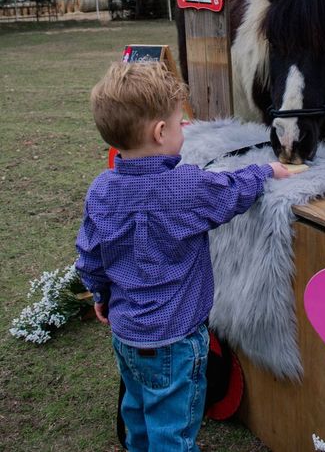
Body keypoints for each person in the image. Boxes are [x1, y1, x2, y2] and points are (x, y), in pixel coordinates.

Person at [75, 61, 291, 452]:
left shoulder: (101, 189)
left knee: (137, 414)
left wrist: (100, 295)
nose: (182, 132)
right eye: (179, 125)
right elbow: (230, 189)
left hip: (125, 335)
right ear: (161, 133)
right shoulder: (186, 187)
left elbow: (89, 254)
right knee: (173, 433)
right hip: (175, 343)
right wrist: (267, 171)